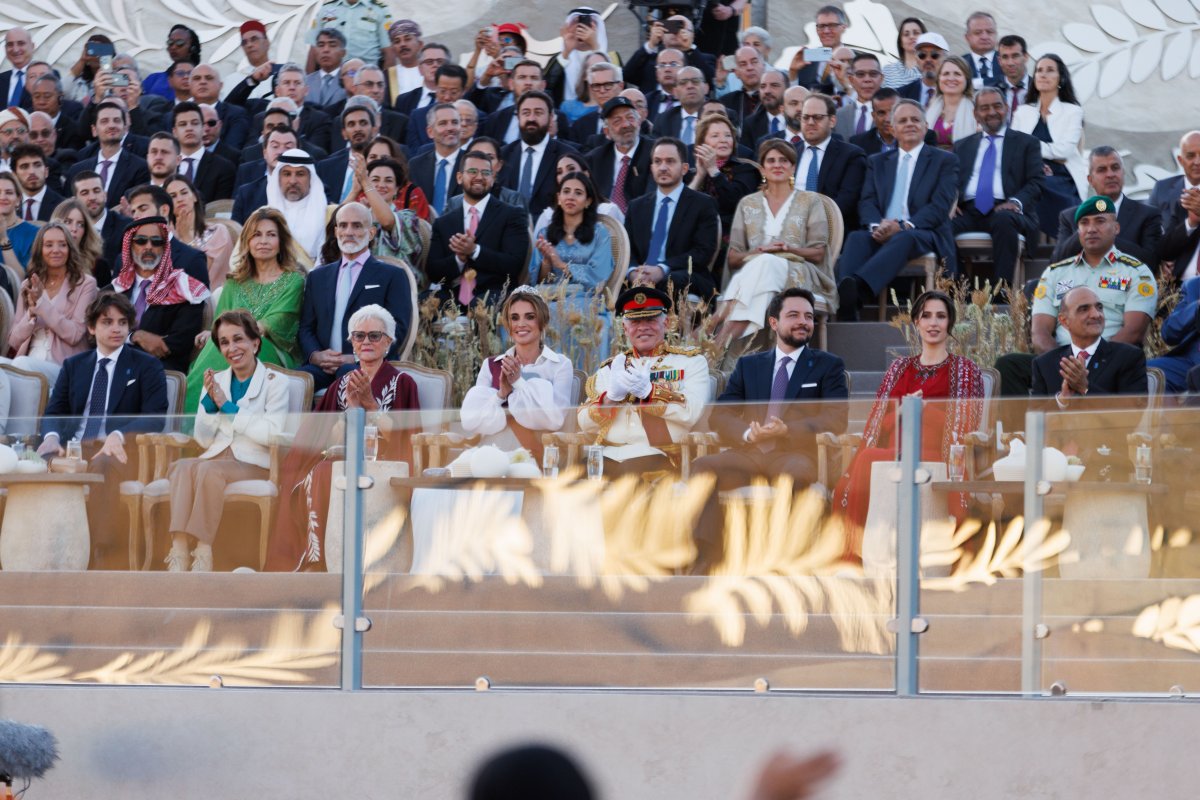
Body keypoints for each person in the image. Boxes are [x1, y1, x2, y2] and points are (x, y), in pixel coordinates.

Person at [691, 287, 849, 571]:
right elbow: (721, 414)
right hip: (748, 454)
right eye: (794, 315)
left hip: (794, 455)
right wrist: (747, 433)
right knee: (702, 467)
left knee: (796, 476)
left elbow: (835, 419)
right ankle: (709, 556)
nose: (803, 322)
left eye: (809, 317)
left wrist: (787, 429)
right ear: (774, 322)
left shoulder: (828, 366)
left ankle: (780, 559)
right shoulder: (750, 365)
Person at [267, 303, 420, 572]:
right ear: (352, 343)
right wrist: (350, 408)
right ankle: (318, 557)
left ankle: (328, 560)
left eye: (375, 336)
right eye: (359, 336)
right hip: (340, 461)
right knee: (324, 469)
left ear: (388, 342)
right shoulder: (340, 385)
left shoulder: (402, 383)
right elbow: (325, 438)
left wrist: (371, 407)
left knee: (327, 471)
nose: (366, 341)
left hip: (384, 464)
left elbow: (405, 437)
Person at [833, 290, 984, 551]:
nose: (933, 323)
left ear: (950, 323)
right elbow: (878, 420)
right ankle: (858, 552)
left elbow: (968, 421)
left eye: (941, 316)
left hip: (939, 453)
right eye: (926, 316)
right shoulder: (899, 368)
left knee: (882, 460)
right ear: (916, 323)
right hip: (895, 451)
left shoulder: (964, 369)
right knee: (868, 458)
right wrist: (903, 412)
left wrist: (924, 409)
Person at [35, 292, 168, 569]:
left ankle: (97, 550)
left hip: (122, 452)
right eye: (107, 322)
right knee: (34, 464)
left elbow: (155, 417)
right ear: (92, 328)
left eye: (122, 322)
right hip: (75, 448)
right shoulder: (74, 366)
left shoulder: (147, 365)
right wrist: (51, 438)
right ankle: (42, 553)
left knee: (103, 465)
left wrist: (118, 436)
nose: (116, 328)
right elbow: (54, 412)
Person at [995, 196, 1157, 398]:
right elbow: (1040, 333)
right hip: (1061, 360)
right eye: (1084, 223)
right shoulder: (1055, 272)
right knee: (1009, 365)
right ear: (1077, 230)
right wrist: (1067, 366)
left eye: (1099, 221)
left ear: (1116, 228)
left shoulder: (1137, 272)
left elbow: (1133, 333)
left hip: (1111, 362)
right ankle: (1021, 429)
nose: (1091, 229)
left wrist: (1090, 363)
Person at [165, 309, 289, 572]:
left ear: (255, 344)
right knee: (181, 467)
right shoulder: (217, 380)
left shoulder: (277, 382)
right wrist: (210, 405)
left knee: (207, 470)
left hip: (254, 461)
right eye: (224, 342)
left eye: (238, 339)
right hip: (217, 458)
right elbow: (202, 438)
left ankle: (203, 550)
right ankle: (178, 549)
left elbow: (271, 433)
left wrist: (227, 406)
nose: (232, 348)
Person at [835, 99, 959, 320]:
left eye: (915, 119)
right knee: (856, 238)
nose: (909, 124)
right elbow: (867, 201)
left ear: (925, 125)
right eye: (902, 120)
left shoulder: (944, 160)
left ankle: (858, 291)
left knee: (905, 238)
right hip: (883, 228)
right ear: (892, 128)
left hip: (924, 232)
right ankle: (847, 307)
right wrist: (877, 226)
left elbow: (939, 207)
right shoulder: (878, 161)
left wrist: (902, 226)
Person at [577, 286, 708, 478]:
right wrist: (610, 399)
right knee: (569, 481)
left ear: (667, 322)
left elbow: (691, 413)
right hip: (608, 454)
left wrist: (650, 392)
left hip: (658, 454)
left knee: (627, 480)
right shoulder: (611, 367)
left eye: (650, 319)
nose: (643, 327)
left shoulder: (690, 362)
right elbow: (583, 422)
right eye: (635, 321)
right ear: (625, 328)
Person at [184, 208, 306, 412]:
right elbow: (220, 321)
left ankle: (198, 420)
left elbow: (278, 322)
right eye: (256, 235)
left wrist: (235, 334)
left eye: (271, 235)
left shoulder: (293, 281)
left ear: (281, 241)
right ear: (247, 242)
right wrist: (213, 332)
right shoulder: (235, 281)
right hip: (230, 343)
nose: (263, 241)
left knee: (230, 344)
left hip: (270, 346)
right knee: (219, 345)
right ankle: (191, 424)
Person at [716, 141, 833, 345]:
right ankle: (720, 346)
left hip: (800, 273)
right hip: (754, 276)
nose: (777, 165)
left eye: (784, 160)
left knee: (767, 263)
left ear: (793, 167)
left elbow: (818, 253)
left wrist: (788, 249)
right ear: (762, 168)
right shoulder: (747, 204)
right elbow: (734, 258)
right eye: (771, 160)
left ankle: (717, 325)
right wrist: (758, 253)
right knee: (764, 265)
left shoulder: (810, 201)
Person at [298, 201, 414, 390]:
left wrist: (357, 356)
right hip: (323, 366)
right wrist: (315, 355)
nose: (349, 231)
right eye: (343, 225)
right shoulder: (317, 277)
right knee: (293, 382)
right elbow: (306, 328)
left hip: (367, 364)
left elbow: (398, 330)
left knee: (349, 376)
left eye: (357, 225)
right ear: (336, 232)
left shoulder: (392, 276)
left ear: (371, 233)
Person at [461, 288, 573, 457]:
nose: (521, 324)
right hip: (490, 454)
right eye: (514, 318)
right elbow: (475, 422)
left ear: (542, 321)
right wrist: (501, 394)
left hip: (536, 455)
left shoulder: (559, 365)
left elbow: (555, 419)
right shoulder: (491, 365)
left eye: (530, 316)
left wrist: (519, 383)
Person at [950, 86, 1044, 286]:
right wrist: (951, 200)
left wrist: (1016, 202)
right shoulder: (962, 146)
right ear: (976, 114)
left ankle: (1001, 292)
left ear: (1007, 108)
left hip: (1009, 210)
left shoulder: (1027, 143)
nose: (991, 112)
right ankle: (959, 289)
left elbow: (1036, 182)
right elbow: (951, 181)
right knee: (941, 225)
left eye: (997, 106)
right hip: (969, 211)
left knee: (1003, 219)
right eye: (984, 108)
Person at [529, 172, 615, 366]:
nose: (570, 197)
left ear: (587, 201)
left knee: (559, 314)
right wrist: (547, 263)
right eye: (566, 191)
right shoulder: (545, 233)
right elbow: (537, 281)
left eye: (578, 193)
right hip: (549, 296)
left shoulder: (600, 233)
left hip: (584, 298)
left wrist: (562, 265)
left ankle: (579, 381)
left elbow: (599, 276)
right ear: (558, 198)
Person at [426, 149, 531, 308]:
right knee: (422, 301)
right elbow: (433, 271)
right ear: (459, 177)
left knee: (480, 306)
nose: (480, 177)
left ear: (493, 178)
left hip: (495, 294)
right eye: (473, 171)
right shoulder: (443, 222)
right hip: (452, 296)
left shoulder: (512, 215)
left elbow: (514, 264)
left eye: (486, 173)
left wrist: (475, 251)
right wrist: (459, 259)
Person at [109, 216, 211, 374]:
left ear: (165, 248)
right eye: (141, 241)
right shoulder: (114, 289)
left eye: (157, 242)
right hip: (112, 363)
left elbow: (180, 342)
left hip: (159, 369)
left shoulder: (184, 288)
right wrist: (135, 336)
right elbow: (96, 332)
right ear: (130, 245)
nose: (148, 247)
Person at [5, 221, 99, 383]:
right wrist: (31, 312)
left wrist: (41, 304)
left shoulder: (85, 284)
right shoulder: (29, 285)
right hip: (29, 358)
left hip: (63, 365)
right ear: (40, 250)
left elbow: (75, 334)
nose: (56, 250)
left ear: (69, 249)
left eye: (62, 245)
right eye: (49, 245)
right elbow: (14, 340)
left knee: (22, 367)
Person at [1011, 54, 1087, 238]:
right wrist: (1036, 162)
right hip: (1031, 172)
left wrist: (1031, 147)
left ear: (1061, 78)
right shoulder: (1023, 112)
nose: (1043, 75)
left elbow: (1066, 151)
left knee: (1044, 187)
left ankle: (1065, 241)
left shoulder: (1073, 111)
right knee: (1032, 185)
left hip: (1062, 176)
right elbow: (1013, 149)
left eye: (1050, 70)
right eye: (1039, 70)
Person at [1032, 285, 1148, 402]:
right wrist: (1062, 401)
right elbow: (1034, 416)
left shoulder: (1128, 357)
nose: (1096, 314)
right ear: (1064, 321)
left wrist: (1085, 388)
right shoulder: (1044, 364)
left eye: (1099, 307)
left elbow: (1133, 412)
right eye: (1084, 309)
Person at [1053, 146, 1161, 269]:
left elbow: (1152, 262)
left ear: (1123, 173)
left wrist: (1107, 237)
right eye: (1102, 170)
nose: (1110, 174)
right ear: (1090, 180)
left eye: (1115, 168)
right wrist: (1085, 231)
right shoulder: (1070, 217)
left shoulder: (1147, 215)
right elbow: (1056, 263)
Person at [687, 112, 759, 279]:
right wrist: (699, 176)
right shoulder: (692, 174)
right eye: (715, 135)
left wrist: (713, 170)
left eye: (728, 135)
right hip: (695, 235)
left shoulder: (745, 169)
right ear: (701, 144)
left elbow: (735, 202)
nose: (723, 140)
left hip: (730, 235)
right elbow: (681, 208)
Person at [498, 91, 581, 219]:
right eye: (526, 113)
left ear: (551, 116)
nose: (531, 118)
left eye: (538, 113)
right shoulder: (503, 155)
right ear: (518, 117)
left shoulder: (567, 156)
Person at [792, 93, 867, 232]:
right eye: (805, 117)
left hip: (830, 232)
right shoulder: (790, 153)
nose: (810, 122)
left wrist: (808, 221)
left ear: (832, 121)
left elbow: (846, 203)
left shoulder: (851, 156)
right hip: (788, 229)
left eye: (817, 117)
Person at [65, 101, 152, 208]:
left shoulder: (140, 167)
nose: (111, 125)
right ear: (94, 130)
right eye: (104, 121)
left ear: (125, 128)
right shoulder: (77, 170)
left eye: (117, 120)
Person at [585, 96, 653, 216]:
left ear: (638, 122)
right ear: (607, 132)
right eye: (617, 121)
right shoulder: (594, 159)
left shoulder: (654, 153)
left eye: (630, 118)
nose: (626, 125)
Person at [1149, 130, 1200, 283]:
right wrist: (1158, 263)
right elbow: (1149, 237)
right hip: (1174, 290)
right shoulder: (1162, 190)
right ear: (1180, 160)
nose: (1197, 161)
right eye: (1191, 156)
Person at [166, 175, 233, 288]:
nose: (180, 199)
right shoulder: (166, 237)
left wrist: (186, 238)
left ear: (195, 197)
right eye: (173, 196)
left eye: (184, 193)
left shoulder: (217, 231)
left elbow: (203, 271)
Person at [532, 151, 623, 231]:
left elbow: (621, 246)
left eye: (571, 169)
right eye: (559, 172)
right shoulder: (548, 217)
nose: (564, 175)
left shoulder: (607, 211)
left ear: (585, 174)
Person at [266, 148, 330, 263]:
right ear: (278, 178)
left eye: (300, 174)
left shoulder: (328, 215)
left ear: (311, 179)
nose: (293, 181)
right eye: (287, 174)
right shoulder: (264, 215)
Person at [1150, 276, 1200, 393]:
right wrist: (1196, 307)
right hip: (1190, 361)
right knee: (1147, 372)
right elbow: (1169, 334)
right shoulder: (1194, 285)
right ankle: (1170, 412)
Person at [366, 135, 431, 220]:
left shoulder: (412, 194)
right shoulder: (361, 192)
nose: (379, 161)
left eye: (385, 158)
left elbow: (421, 229)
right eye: (373, 157)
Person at [790, 5, 848, 92]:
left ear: (843, 28)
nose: (826, 31)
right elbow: (796, 95)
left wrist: (844, 82)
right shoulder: (806, 59)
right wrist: (793, 73)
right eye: (821, 26)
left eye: (832, 25)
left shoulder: (856, 60)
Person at [925, 55, 975, 149]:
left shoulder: (976, 112)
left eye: (957, 74)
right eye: (946, 73)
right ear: (939, 79)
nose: (951, 78)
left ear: (967, 79)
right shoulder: (928, 110)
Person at [49, 198, 104, 277]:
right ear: (55, 224)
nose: (74, 229)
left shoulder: (98, 265)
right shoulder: (41, 262)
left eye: (80, 224)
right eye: (68, 222)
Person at [835, 54, 883, 141]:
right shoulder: (838, 115)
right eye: (860, 74)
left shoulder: (894, 114)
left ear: (881, 78)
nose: (867, 79)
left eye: (873, 74)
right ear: (851, 80)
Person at [11, 143, 63, 221]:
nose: (32, 171)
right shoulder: (8, 205)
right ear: (14, 175)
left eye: (37, 165)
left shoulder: (62, 206)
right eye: (24, 166)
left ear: (46, 171)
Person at [0, 170, 39, 271]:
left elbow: (21, 280)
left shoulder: (34, 233)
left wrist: (4, 240)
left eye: (9, 192)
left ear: (18, 200)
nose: (3, 197)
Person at [897, 32, 947, 108]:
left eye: (934, 55)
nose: (928, 59)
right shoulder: (901, 95)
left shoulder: (955, 93)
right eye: (922, 55)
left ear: (945, 59)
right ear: (916, 60)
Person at [883, 17, 927, 88]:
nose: (911, 37)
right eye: (906, 34)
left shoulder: (932, 70)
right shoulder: (887, 71)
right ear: (900, 42)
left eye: (916, 33)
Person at [962, 12, 1001, 87]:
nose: (984, 37)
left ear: (996, 34)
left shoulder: (1007, 60)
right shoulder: (959, 64)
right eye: (978, 33)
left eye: (989, 32)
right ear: (967, 38)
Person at [997, 35, 1031, 113]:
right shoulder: (991, 90)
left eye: (1015, 56)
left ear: (1026, 57)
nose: (1010, 63)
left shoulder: (1039, 90)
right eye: (1005, 57)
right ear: (999, 60)